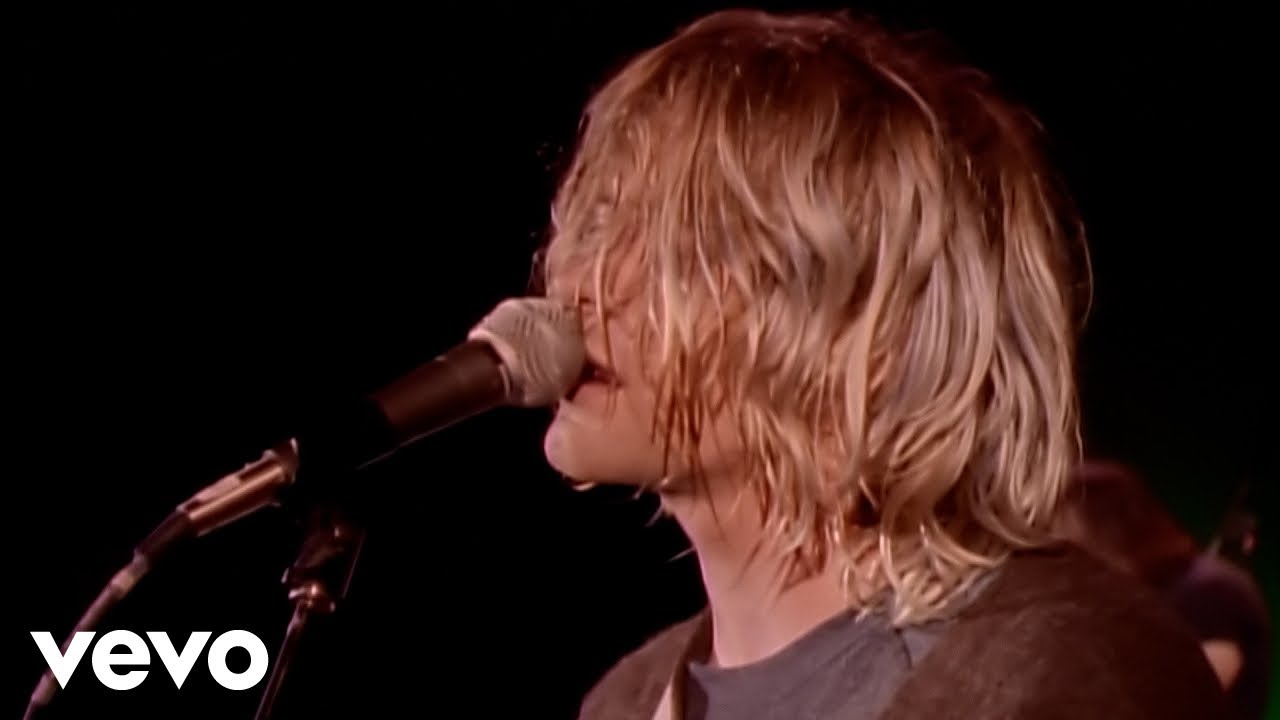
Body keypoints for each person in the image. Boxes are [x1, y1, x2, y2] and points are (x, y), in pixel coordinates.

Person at [536, 9, 1227, 719]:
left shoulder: (1060, 670)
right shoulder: (625, 702)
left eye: (681, 250)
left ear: (866, 332)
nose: (580, 284)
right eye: (599, 222)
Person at [1054, 460, 1272, 720]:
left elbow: (1192, 695)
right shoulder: (1133, 596)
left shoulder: (1209, 591)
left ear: (1104, 527)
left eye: (1064, 530)